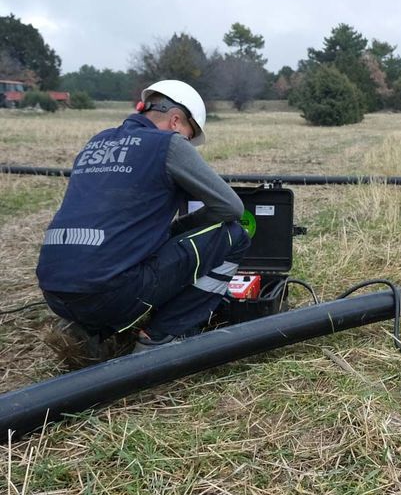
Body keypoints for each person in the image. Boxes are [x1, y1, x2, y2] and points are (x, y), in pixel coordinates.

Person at [37, 80, 250, 365]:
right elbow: (231, 207)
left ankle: (88, 329)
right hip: (111, 292)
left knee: (116, 265)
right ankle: (161, 336)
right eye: (189, 137)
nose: (188, 144)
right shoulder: (169, 144)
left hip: (55, 291)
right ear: (176, 121)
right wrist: (180, 229)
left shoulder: (96, 142)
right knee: (235, 235)